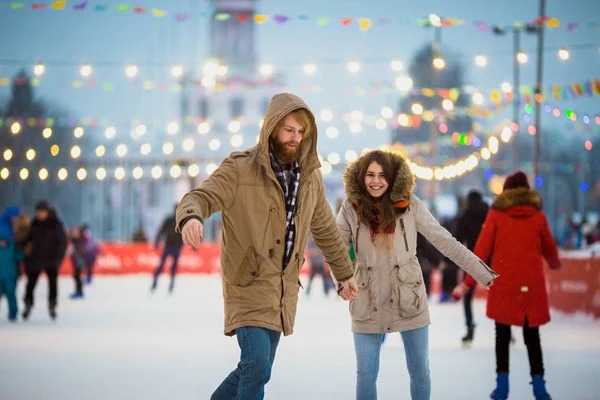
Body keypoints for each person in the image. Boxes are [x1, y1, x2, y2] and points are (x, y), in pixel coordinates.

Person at [176, 93, 358, 400]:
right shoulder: (240, 168)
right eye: (288, 129)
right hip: (247, 283)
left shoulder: (310, 178)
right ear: (272, 127)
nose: (295, 138)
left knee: (257, 368)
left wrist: (344, 273)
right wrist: (191, 216)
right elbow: (201, 196)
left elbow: (325, 229)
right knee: (257, 365)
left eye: (301, 132)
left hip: (282, 289)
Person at [336, 150, 498, 400]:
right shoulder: (351, 208)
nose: (375, 181)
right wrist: (342, 281)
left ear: (392, 178)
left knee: (420, 372)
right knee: (365, 375)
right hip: (367, 298)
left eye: (382, 175)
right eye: (370, 175)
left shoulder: (410, 206)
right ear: (361, 177)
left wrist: (481, 272)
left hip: (408, 298)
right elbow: (335, 249)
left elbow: (446, 242)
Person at [452, 171, 561, 400]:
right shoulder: (538, 217)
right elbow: (550, 248)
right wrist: (554, 262)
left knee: (502, 333)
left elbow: (481, 251)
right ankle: (539, 386)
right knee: (532, 334)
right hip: (531, 282)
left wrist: (468, 283)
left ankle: (502, 386)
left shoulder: (496, 216)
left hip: (505, 282)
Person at [453, 189, 489, 344]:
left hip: (473, 258)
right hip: (492, 258)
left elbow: (458, 237)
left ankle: (469, 328)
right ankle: (505, 326)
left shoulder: (466, 215)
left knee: (468, 295)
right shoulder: (490, 213)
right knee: (500, 294)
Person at [22, 200, 67, 321]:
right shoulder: (35, 223)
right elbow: (28, 239)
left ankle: (52, 305)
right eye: (38, 212)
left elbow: (62, 242)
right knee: (31, 283)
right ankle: (28, 304)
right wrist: (22, 248)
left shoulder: (55, 224)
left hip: (51, 259)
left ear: (47, 212)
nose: (40, 215)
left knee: (52, 284)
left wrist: (58, 259)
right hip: (36, 258)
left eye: (42, 212)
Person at [152, 205, 184, 293]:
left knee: (172, 266)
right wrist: (157, 241)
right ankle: (155, 281)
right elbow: (161, 231)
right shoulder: (169, 220)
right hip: (169, 246)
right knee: (162, 265)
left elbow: (186, 234)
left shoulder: (182, 221)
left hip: (176, 247)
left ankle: (171, 284)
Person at [0, 206, 22, 321]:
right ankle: (13, 312)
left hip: (10, 272)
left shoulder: (12, 245)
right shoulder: (6, 225)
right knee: (10, 292)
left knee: (11, 293)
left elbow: (19, 255)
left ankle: (13, 312)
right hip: (9, 272)